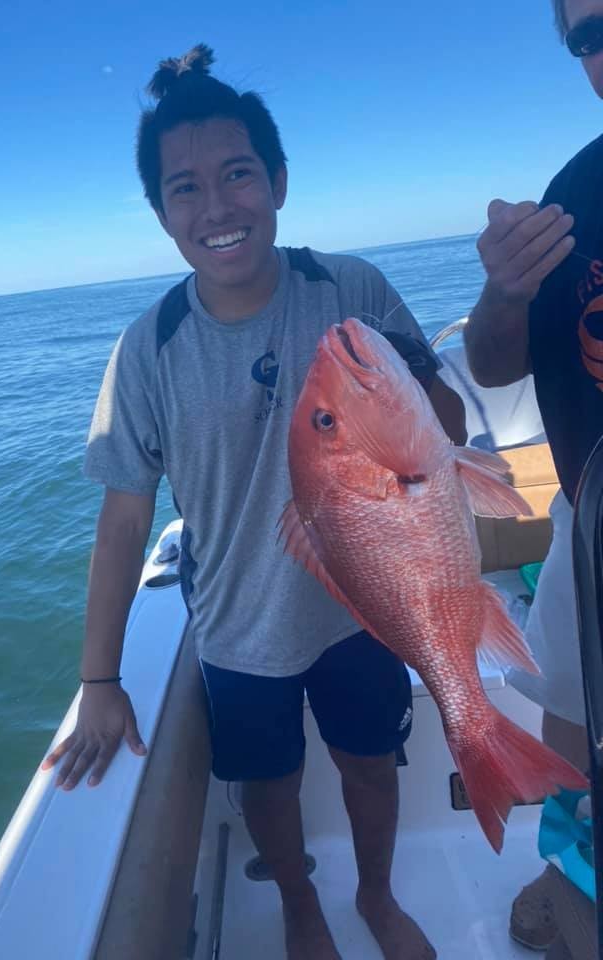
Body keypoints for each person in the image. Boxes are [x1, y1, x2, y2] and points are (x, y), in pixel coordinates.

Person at [43, 44, 465, 960]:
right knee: (268, 788)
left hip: (365, 612)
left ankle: (378, 896)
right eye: (185, 188)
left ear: (276, 180)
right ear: (162, 214)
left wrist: (404, 397)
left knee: (369, 766)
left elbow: (450, 426)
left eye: (237, 174)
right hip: (238, 632)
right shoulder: (147, 348)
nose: (217, 206)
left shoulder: (347, 286)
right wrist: (98, 681)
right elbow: (123, 522)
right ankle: (302, 909)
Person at [464, 0, 603, 950]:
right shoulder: (574, 194)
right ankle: (573, 876)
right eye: (588, 35)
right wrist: (503, 292)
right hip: (594, 525)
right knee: (568, 700)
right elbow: (494, 363)